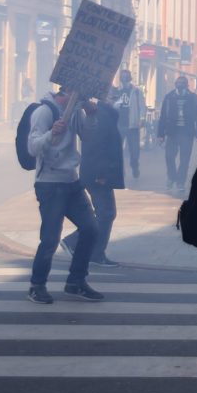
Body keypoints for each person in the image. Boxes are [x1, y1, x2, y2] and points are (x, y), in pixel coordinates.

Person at [27, 88, 103, 304]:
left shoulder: (76, 110)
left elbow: (88, 136)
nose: (81, 97)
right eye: (77, 94)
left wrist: (91, 115)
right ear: (66, 91)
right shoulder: (44, 111)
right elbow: (33, 147)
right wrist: (53, 133)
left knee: (91, 229)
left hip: (72, 181)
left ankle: (76, 281)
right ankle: (37, 285)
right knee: (50, 238)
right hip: (50, 184)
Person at [62, 100, 125, 268]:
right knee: (106, 213)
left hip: (99, 173)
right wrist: (101, 173)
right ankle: (83, 246)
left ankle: (88, 248)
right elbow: (96, 147)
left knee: (105, 213)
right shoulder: (101, 115)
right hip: (98, 174)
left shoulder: (106, 115)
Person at [158, 76, 197, 191]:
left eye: (182, 83)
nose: (180, 84)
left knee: (185, 159)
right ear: (175, 84)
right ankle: (172, 177)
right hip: (172, 133)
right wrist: (160, 134)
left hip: (187, 132)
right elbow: (163, 116)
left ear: (187, 85)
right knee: (169, 157)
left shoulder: (193, 98)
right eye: (178, 82)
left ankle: (180, 182)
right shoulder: (169, 97)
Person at [114, 69, 146, 180]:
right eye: (122, 77)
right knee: (117, 151)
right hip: (119, 125)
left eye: (126, 77)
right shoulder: (116, 91)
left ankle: (134, 165)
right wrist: (116, 104)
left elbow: (142, 106)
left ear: (130, 78)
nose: (124, 79)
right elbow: (112, 105)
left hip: (132, 125)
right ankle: (120, 171)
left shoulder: (136, 91)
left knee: (134, 151)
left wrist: (142, 118)